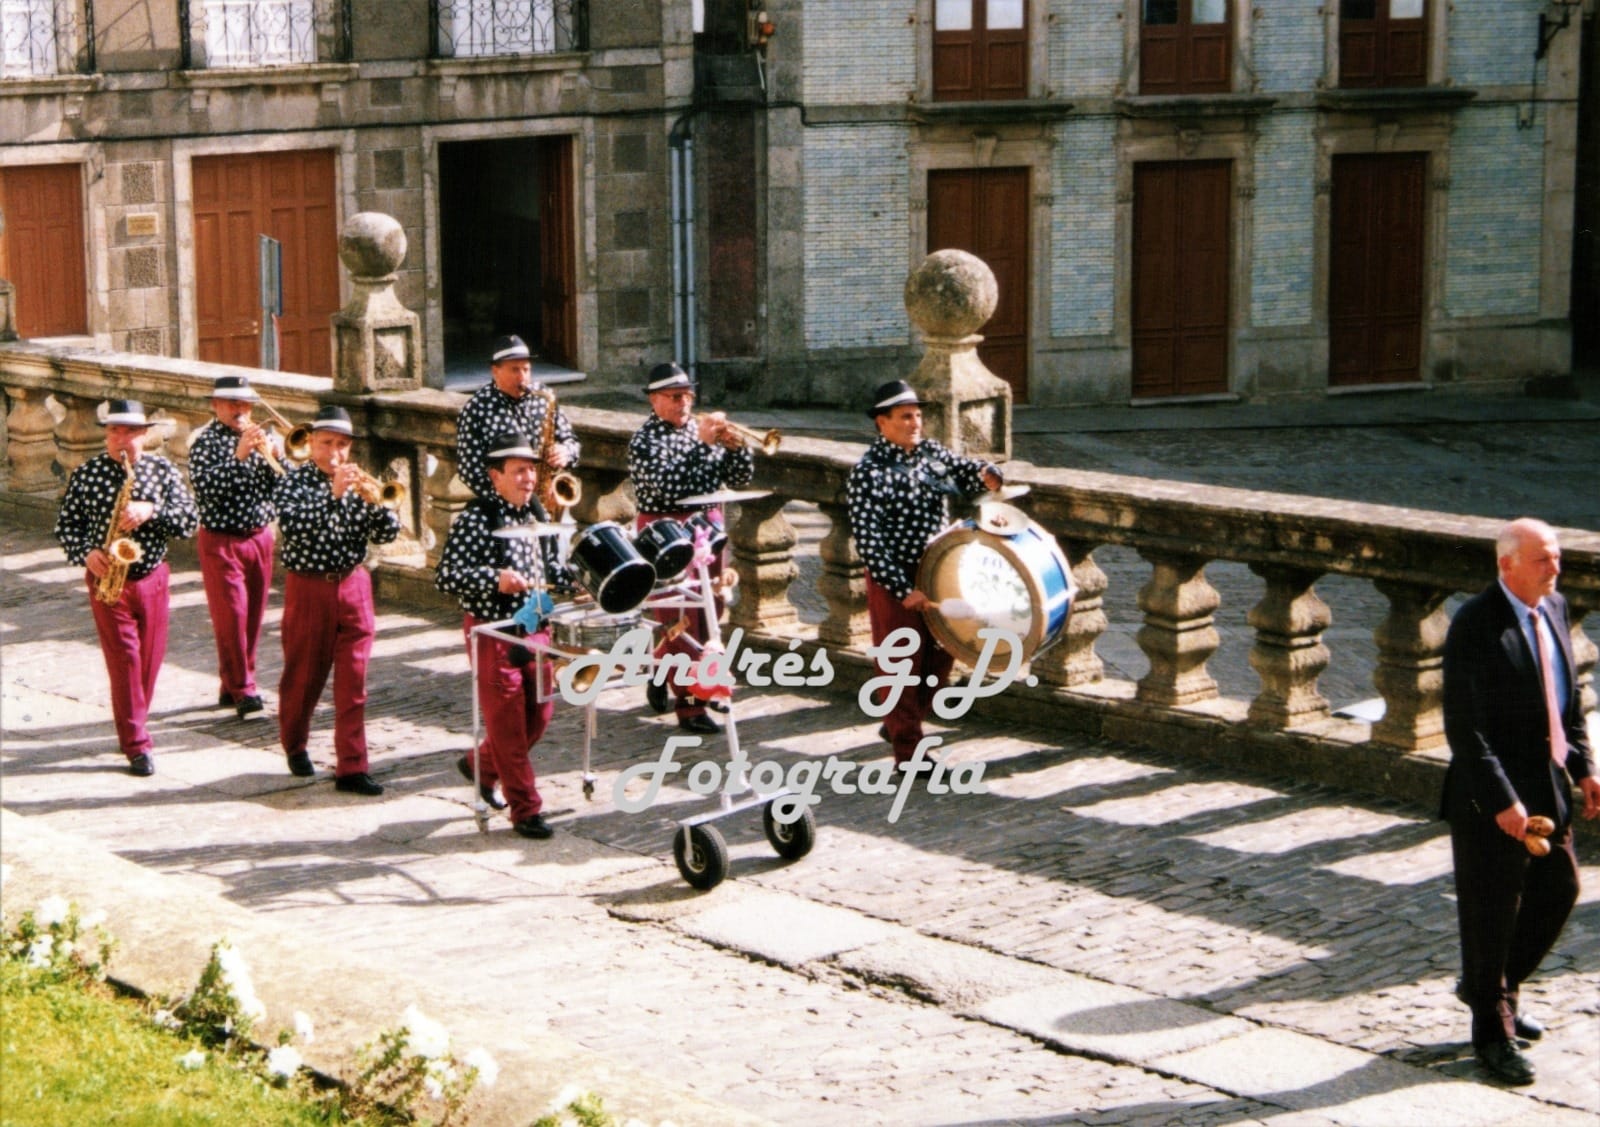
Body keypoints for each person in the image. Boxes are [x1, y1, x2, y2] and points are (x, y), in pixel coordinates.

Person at [1441, 517, 1600, 1085]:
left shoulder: (1555, 608)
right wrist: (1503, 800)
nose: (1555, 568)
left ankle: (1493, 992)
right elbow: (1465, 727)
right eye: (1542, 559)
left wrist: (1584, 766)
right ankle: (1493, 1036)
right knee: (1490, 913)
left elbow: (1569, 697)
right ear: (1506, 564)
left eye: (1556, 556)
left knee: (1561, 888)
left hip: (1548, 786)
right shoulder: (1474, 625)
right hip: (1493, 797)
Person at [845, 380, 1002, 769]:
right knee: (901, 662)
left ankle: (902, 719)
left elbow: (967, 474)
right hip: (894, 577)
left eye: (917, 415)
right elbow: (869, 541)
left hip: (938, 571)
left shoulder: (930, 452)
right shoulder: (868, 472)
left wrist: (988, 474)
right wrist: (901, 589)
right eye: (905, 417)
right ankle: (908, 751)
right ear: (882, 423)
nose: (915, 423)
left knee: (945, 651)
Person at [436, 431, 577, 839]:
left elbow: (553, 568)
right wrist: (493, 579)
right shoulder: (477, 517)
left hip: (535, 630)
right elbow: (446, 576)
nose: (528, 478)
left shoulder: (537, 512)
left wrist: (579, 581)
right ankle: (526, 809)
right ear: (495, 476)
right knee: (509, 725)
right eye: (518, 471)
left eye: (531, 470)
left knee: (541, 715)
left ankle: (480, 764)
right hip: (493, 632)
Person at [53, 399, 198, 777]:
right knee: (126, 662)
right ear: (106, 434)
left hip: (152, 577)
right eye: (115, 431)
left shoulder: (162, 470)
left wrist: (151, 511)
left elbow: (188, 522)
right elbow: (66, 526)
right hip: (108, 580)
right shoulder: (87, 474)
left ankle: (133, 722)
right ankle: (137, 744)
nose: (122, 440)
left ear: (144, 436)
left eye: (130, 432)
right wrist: (86, 553)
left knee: (148, 662)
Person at [273, 405, 401, 794]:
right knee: (303, 677)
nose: (336, 452)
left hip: (354, 584)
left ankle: (352, 765)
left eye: (343, 445)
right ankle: (294, 742)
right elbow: (295, 528)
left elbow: (385, 536)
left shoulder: (361, 482)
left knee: (354, 683)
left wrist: (380, 505)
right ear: (311, 443)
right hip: (309, 587)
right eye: (327, 443)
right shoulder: (293, 481)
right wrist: (333, 495)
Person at [627, 361, 754, 734]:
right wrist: (703, 444)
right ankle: (690, 705)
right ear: (654, 400)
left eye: (688, 395)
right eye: (674, 397)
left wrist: (736, 448)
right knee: (681, 618)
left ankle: (663, 668)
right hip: (666, 532)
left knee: (712, 611)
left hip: (707, 529)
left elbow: (739, 478)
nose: (684, 403)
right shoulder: (645, 440)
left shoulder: (703, 432)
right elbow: (668, 487)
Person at [188, 374, 280, 719]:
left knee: (253, 617)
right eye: (231, 403)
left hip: (259, 536)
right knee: (231, 616)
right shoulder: (205, 442)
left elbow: (283, 485)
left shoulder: (263, 436)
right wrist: (239, 457)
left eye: (244, 403)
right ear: (215, 405)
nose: (239, 410)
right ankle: (244, 689)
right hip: (222, 539)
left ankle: (234, 684)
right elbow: (206, 488)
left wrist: (275, 457)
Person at [455, 334, 579, 501]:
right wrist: (510, 499)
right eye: (515, 370)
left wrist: (566, 452)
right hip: (503, 506)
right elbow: (469, 470)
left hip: (547, 497)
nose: (522, 377)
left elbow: (571, 441)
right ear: (495, 371)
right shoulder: (476, 409)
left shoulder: (544, 397)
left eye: (526, 370)